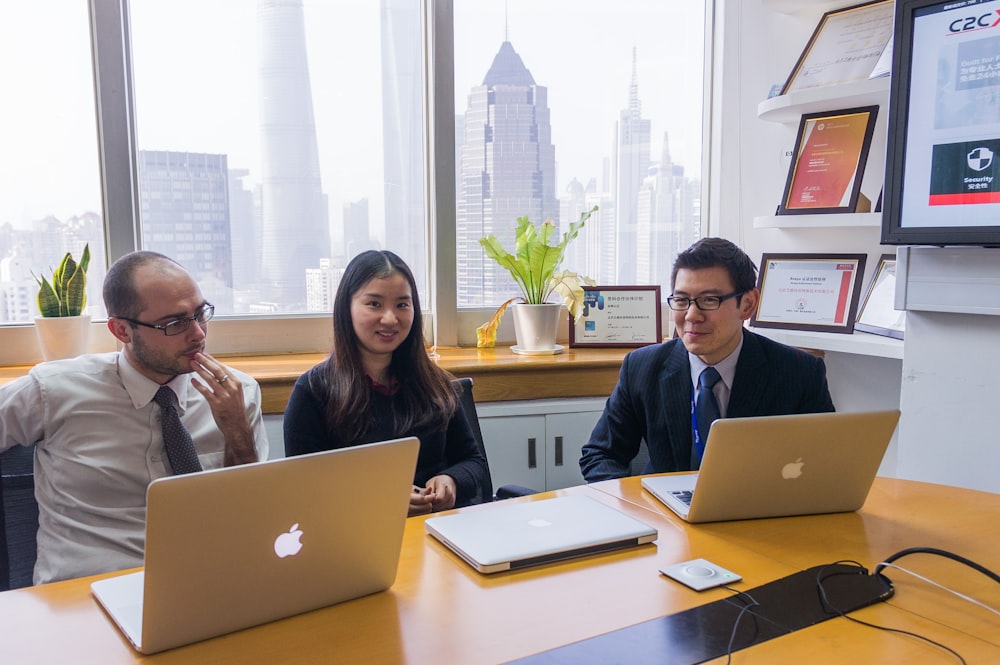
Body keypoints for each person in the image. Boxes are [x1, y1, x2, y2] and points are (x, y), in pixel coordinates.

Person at [0, 251, 268, 584]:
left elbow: (256, 519)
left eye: (201, 314)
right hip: (84, 593)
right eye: (175, 323)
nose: (198, 333)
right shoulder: (53, 391)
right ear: (122, 331)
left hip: (205, 585)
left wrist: (236, 430)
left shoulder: (237, 392)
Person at [580, 237, 835, 481]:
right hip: (665, 514)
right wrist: (639, 509)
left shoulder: (800, 373)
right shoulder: (642, 367)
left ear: (747, 304)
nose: (691, 315)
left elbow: (825, 463)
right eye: (681, 300)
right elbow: (600, 455)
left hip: (755, 514)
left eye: (709, 300)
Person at [283, 250, 489, 515]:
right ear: (347, 308)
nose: (390, 319)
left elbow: (473, 462)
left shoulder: (435, 383)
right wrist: (381, 498)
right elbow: (303, 489)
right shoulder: (313, 392)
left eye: (403, 304)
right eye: (374, 304)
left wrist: (451, 480)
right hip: (358, 539)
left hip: (437, 533)